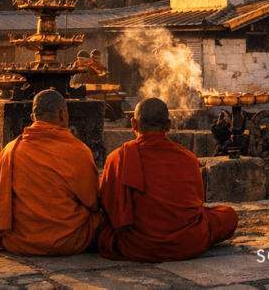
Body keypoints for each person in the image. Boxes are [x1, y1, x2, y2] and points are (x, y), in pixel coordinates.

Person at [98, 98, 238, 262]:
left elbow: (107, 206)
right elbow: (197, 203)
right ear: (169, 125)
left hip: (137, 244)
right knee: (229, 215)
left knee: (98, 227)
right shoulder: (188, 158)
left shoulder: (116, 158)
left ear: (133, 124)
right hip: (187, 243)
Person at [0, 90, 102, 256]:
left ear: (32, 118)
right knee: (104, 219)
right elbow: (93, 202)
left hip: (20, 241)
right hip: (69, 240)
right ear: (63, 115)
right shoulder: (78, 151)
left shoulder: (10, 150)